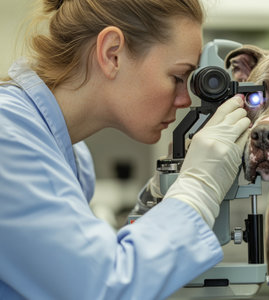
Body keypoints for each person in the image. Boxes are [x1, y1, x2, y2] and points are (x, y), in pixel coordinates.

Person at [0, 0, 250, 299]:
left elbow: (82, 266)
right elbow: (104, 288)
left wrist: (159, 197)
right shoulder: (7, 137)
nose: (185, 100)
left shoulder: (72, 153)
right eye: (177, 77)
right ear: (112, 53)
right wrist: (199, 188)